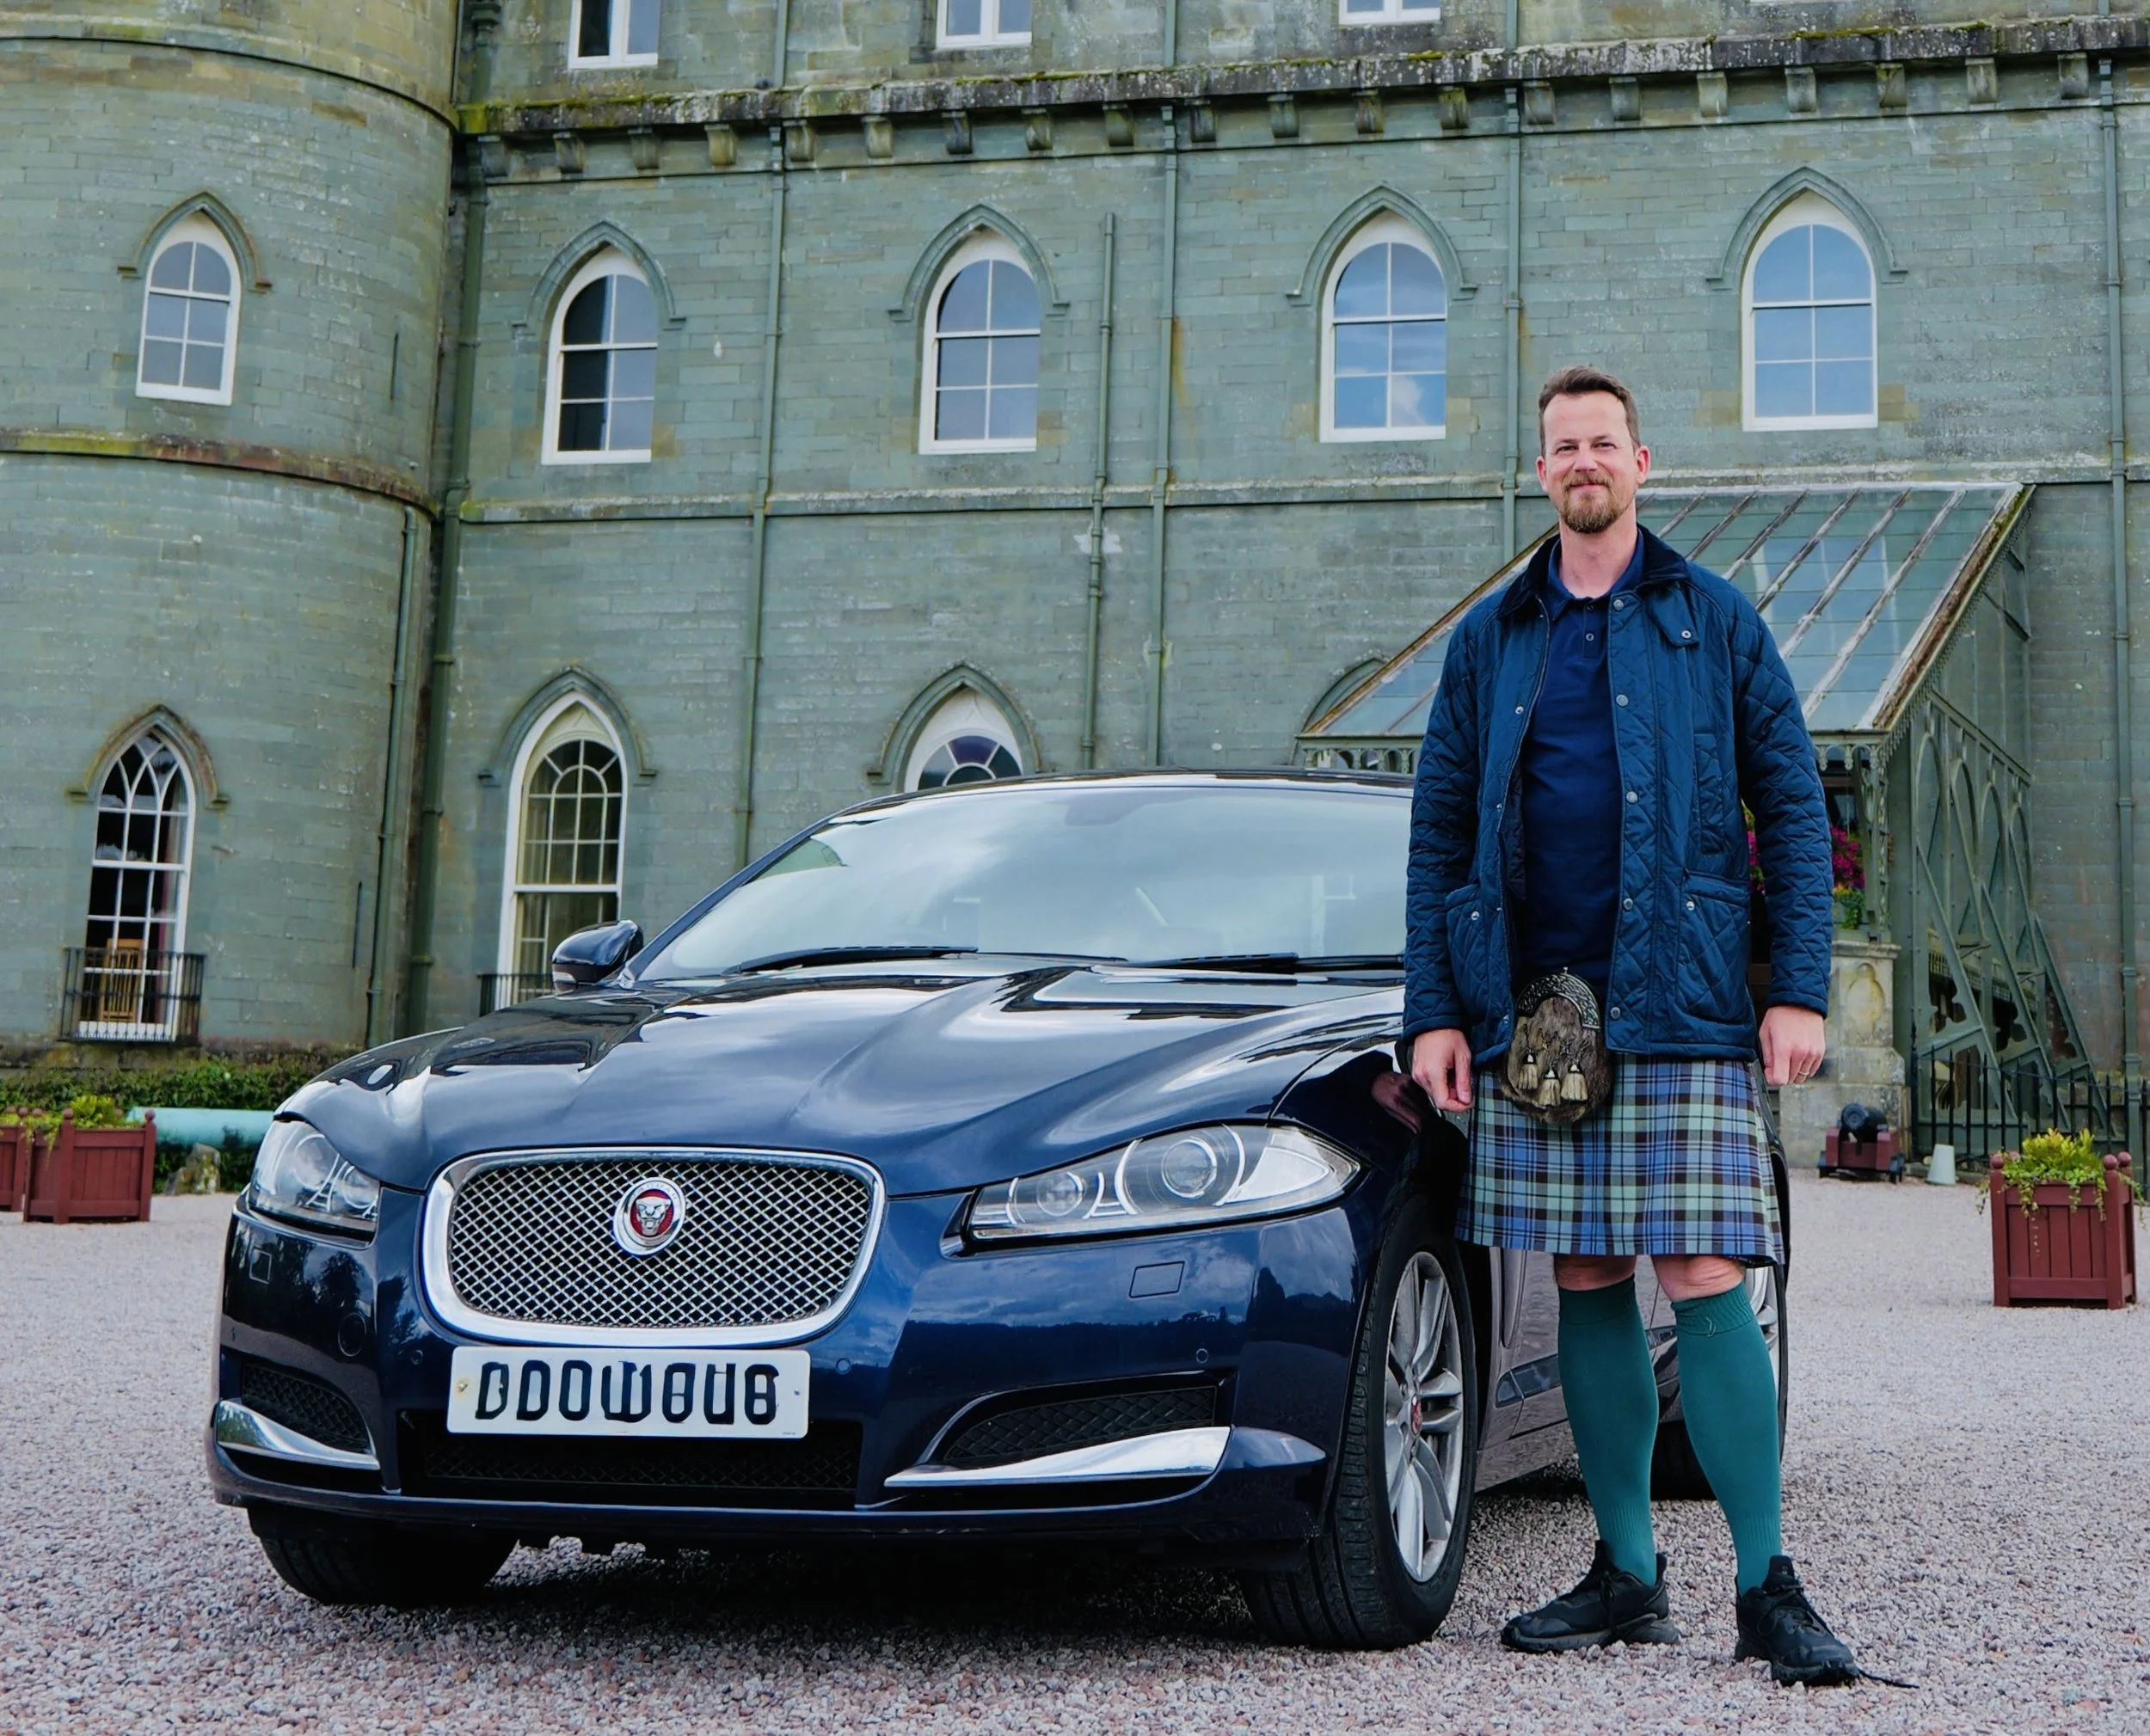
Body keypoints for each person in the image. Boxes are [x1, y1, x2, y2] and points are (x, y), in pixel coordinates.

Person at [1402, 365, 1859, 1687]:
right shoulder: (1492, 638)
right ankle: (1626, 1574)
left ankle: (1768, 1585)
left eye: (1604, 441)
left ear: (1642, 462)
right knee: (1591, 1276)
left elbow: (1791, 794)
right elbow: (1438, 830)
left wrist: (1798, 987)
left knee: (1704, 1272)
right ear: (1541, 472)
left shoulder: (1715, 622)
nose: (1585, 461)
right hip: (1539, 1019)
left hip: (1687, 999)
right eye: (1563, 446)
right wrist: (1435, 1009)